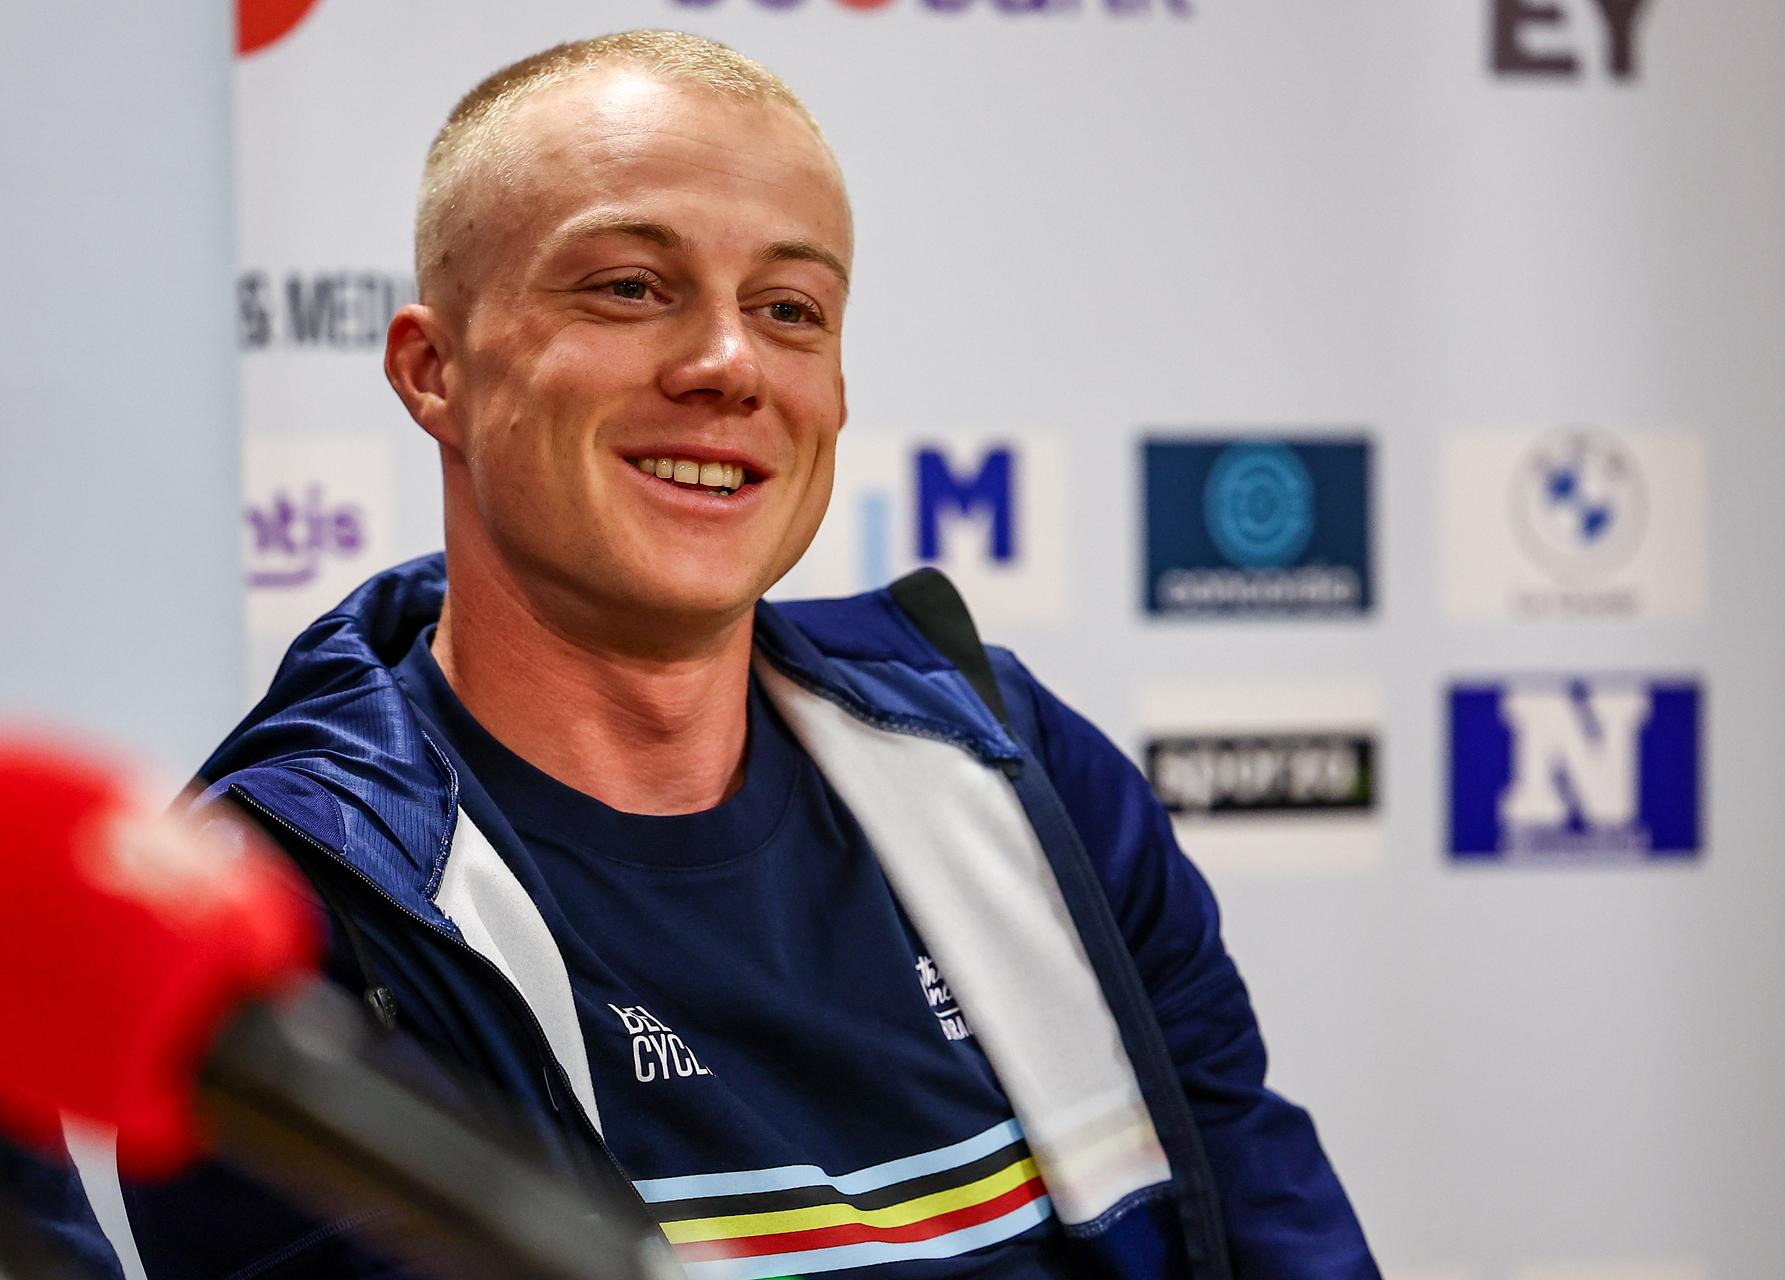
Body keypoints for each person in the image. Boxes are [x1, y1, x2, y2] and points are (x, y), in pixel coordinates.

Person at [44, 30, 1380, 1280]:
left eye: (792, 310)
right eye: (631, 287)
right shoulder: (291, 905)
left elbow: (1275, 1231)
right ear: (433, 372)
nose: (732, 363)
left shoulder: (1018, 765)